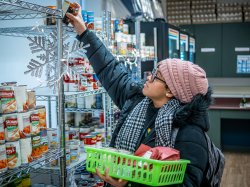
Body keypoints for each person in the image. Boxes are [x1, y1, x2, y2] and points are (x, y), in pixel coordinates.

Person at [66, 3, 213, 187]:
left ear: (170, 91)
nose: (148, 77)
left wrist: (128, 184)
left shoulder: (190, 134)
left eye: (156, 76)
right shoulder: (137, 101)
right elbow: (110, 69)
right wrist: (83, 31)